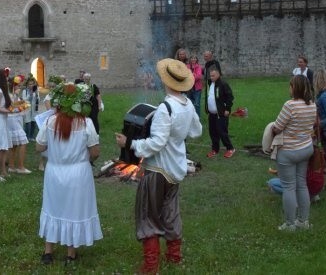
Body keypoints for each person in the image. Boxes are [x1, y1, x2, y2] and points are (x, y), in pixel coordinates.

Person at [115, 58, 202, 273]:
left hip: (158, 170)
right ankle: (174, 256)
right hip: (175, 169)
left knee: (148, 215)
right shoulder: (188, 104)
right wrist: (177, 135)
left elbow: (157, 143)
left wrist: (129, 143)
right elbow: (196, 131)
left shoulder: (166, 108)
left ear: (166, 81)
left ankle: (151, 265)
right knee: (170, 212)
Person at [37, 81, 103, 266]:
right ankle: (70, 254)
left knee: (53, 207)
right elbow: (95, 151)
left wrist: (55, 151)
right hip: (78, 173)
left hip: (54, 172)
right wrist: (87, 160)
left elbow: (39, 146)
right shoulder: (86, 123)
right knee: (73, 210)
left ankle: (48, 252)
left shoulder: (50, 121)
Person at [272, 75, 316, 231]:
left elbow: (277, 127)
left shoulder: (289, 105)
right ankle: (303, 221)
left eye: (290, 86)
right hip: (305, 148)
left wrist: (272, 129)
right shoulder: (312, 105)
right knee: (302, 184)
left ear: (295, 88)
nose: (289, 88)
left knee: (289, 187)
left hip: (289, 151)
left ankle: (290, 224)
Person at [205, 66, 235, 158]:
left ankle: (230, 148)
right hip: (212, 114)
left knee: (222, 132)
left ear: (218, 74)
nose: (211, 77)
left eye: (213, 76)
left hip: (221, 114)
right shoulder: (210, 83)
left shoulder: (223, 84)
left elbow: (230, 97)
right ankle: (215, 149)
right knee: (212, 132)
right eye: (210, 76)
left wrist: (227, 109)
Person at [202, 50, 221, 117]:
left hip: (216, 84)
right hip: (210, 83)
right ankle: (211, 110)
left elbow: (218, 74)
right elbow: (206, 73)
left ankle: (218, 110)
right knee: (211, 97)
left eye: (206, 56)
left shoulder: (215, 63)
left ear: (210, 56)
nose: (205, 57)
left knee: (216, 96)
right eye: (204, 56)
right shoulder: (207, 64)